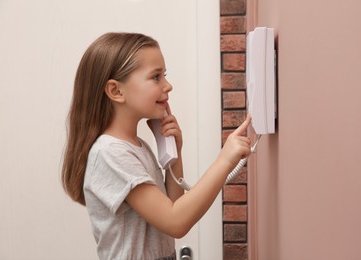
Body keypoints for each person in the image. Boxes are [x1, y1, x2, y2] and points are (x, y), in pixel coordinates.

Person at [61, 32, 251, 260]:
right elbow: (175, 221)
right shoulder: (110, 153)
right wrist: (225, 160)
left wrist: (175, 153)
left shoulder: (136, 147)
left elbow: (174, 205)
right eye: (156, 77)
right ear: (116, 91)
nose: (168, 86)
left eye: (165, 76)